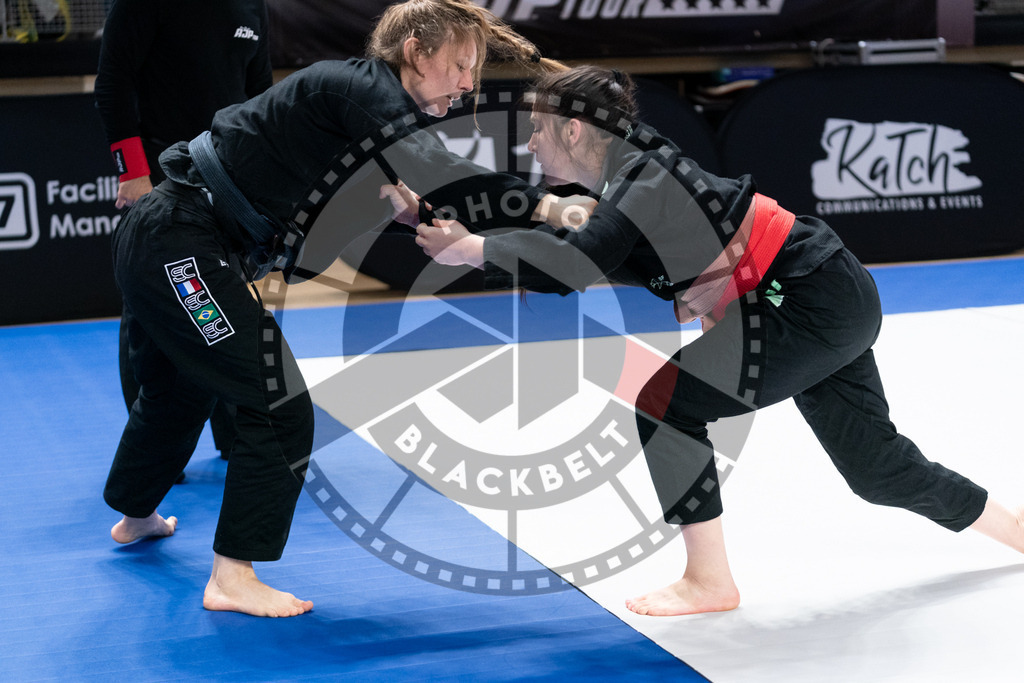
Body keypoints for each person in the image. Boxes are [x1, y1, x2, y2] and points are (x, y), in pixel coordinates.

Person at [414, 65, 1024, 617]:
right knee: (878, 471)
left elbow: (577, 264)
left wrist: (477, 250)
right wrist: (474, 247)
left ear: (574, 132)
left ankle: (709, 580)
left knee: (665, 402)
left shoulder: (643, 178)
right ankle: (1019, 530)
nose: (530, 143)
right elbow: (595, 251)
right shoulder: (633, 177)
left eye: (541, 129)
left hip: (806, 298)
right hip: (821, 292)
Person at [103, 0, 588, 618]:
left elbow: (401, 197)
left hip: (174, 244)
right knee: (275, 400)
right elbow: (438, 170)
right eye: (461, 65)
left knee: (180, 387)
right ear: (416, 49)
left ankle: (135, 512)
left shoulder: (365, 123)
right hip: (179, 244)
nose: (469, 85)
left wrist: (470, 237)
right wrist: (548, 207)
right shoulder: (356, 87)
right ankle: (231, 576)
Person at [95, 0, 274, 464]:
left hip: (229, 178)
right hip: (159, 175)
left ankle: (236, 432)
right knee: (149, 312)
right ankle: (153, 452)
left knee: (230, 300)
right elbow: (113, 80)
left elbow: (259, 94)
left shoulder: (253, 4)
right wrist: (132, 171)